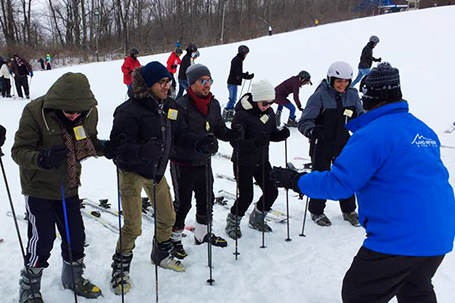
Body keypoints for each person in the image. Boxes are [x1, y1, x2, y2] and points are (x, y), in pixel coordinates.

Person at [271, 62, 455, 303]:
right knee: (415, 289)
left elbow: (339, 184)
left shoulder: (372, 134)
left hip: (399, 237)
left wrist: (295, 180)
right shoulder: (423, 130)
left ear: (371, 97)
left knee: (359, 293)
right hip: (439, 233)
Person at [108, 61, 205, 295]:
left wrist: (198, 142)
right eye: (161, 82)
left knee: (168, 215)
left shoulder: (170, 105)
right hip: (132, 172)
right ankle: (120, 268)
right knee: (133, 225)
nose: (167, 85)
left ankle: (161, 253)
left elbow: (179, 133)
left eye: (168, 81)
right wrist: (140, 151)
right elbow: (117, 147)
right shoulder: (128, 110)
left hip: (156, 171)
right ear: (148, 84)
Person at [11, 72, 105, 303]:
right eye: (68, 111)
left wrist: (106, 147)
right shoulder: (35, 112)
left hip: (69, 186)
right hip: (39, 188)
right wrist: (41, 158)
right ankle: (30, 286)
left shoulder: (88, 112)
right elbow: (19, 151)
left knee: (76, 237)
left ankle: (72, 278)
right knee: (41, 240)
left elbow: (88, 140)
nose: (74, 116)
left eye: (77, 112)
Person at [170, 64, 240, 258]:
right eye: (202, 81)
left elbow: (218, 129)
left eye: (209, 81)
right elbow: (177, 135)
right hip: (182, 163)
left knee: (206, 200)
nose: (207, 85)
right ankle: (173, 240)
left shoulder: (214, 104)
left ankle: (202, 234)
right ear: (192, 84)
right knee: (183, 204)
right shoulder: (180, 106)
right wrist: (198, 143)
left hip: (203, 162)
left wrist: (233, 135)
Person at [298, 61, 363, 227]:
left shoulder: (353, 95)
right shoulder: (319, 96)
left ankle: (349, 210)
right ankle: (316, 211)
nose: (343, 85)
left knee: (346, 176)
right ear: (330, 79)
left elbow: (360, 118)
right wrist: (312, 130)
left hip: (343, 143)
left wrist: (365, 129)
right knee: (321, 176)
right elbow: (304, 121)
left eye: (346, 81)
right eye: (339, 81)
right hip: (321, 143)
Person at [225, 79, 290, 240]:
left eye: (271, 103)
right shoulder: (242, 115)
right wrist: (254, 142)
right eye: (264, 103)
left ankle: (257, 218)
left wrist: (279, 135)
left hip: (261, 160)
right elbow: (235, 142)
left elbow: (270, 134)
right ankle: (232, 221)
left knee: (272, 191)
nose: (268, 106)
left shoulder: (269, 113)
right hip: (243, 162)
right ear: (255, 99)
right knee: (246, 196)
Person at [223, 45, 255, 122]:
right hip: (232, 83)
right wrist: (247, 76)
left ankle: (228, 112)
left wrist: (245, 74)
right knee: (232, 99)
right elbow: (238, 73)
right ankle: (228, 114)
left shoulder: (237, 60)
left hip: (232, 82)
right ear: (242, 53)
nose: (246, 55)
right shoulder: (238, 60)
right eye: (245, 54)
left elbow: (238, 72)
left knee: (232, 98)